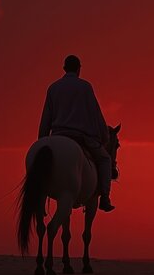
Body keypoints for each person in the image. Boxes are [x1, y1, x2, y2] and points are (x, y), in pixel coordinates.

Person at [38, 55, 115, 212]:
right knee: (105, 159)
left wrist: (42, 141)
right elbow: (96, 113)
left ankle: (39, 196)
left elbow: (46, 117)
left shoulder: (53, 88)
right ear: (79, 69)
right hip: (81, 136)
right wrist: (104, 136)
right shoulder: (85, 87)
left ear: (64, 69)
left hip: (57, 135)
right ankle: (105, 198)